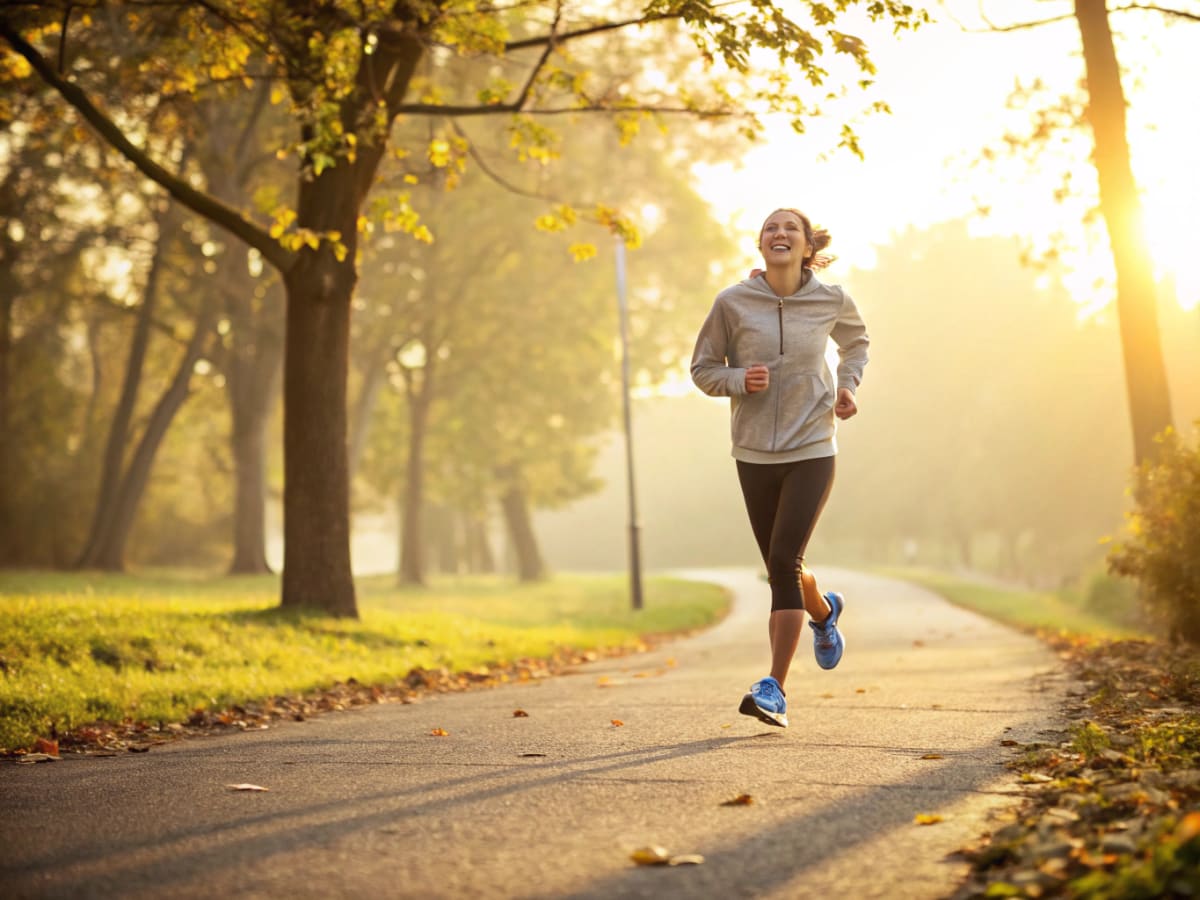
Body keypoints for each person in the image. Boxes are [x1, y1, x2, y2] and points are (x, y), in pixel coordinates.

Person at [690, 207, 869, 728]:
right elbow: (703, 369)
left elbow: (856, 343)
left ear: (808, 246)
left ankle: (775, 688)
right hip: (752, 452)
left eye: (791, 227)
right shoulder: (733, 303)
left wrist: (848, 385)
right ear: (760, 244)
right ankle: (823, 612)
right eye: (771, 227)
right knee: (782, 564)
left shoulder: (831, 299)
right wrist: (740, 378)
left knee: (783, 559)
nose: (780, 233)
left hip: (813, 446)